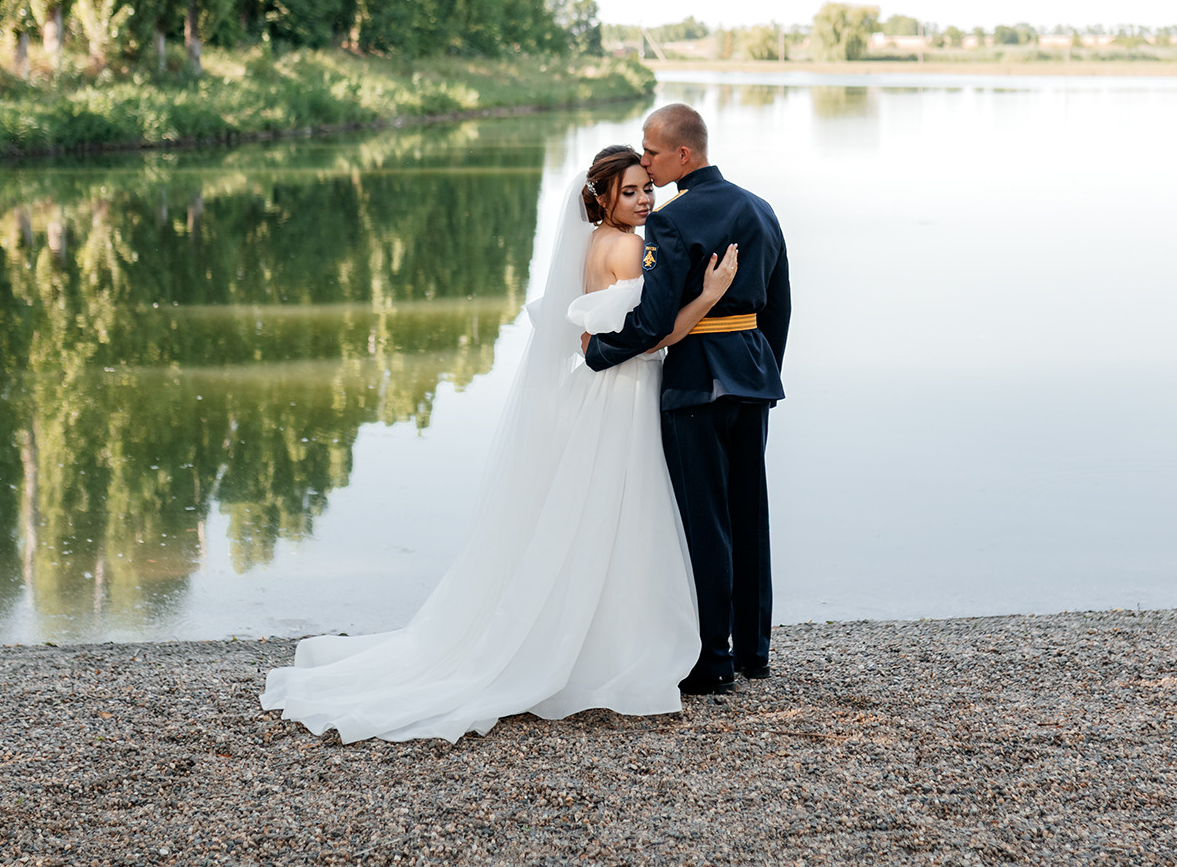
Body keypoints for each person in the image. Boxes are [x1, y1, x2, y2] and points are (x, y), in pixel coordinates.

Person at [259, 145, 740, 742]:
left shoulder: (596, 246)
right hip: (625, 394)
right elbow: (649, 336)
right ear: (604, 199)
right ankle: (617, 648)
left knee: (596, 519)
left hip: (601, 394)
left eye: (647, 189)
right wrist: (711, 294)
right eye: (632, 192)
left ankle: (602, 637)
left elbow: (594, 336)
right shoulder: (624, 249)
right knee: (624, 516)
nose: (646, 201)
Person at [584, 103, 791, 696]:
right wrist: (764, 369)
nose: (643, 161)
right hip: (751, 377)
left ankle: (713, 659)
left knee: (706, 523)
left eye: (650, 152)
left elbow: (653, 323)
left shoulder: (672, 223)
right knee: (750, 515)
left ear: (683, 154)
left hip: (695, 380)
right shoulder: (761, 209)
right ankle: (755, 651)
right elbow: (779, 307)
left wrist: (597, 352)